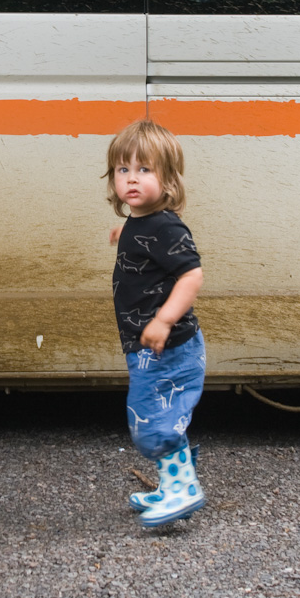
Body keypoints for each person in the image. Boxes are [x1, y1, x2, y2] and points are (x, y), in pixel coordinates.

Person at [105, 118, 207, 528]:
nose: (132, 179)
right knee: (159, 417)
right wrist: (123, 235)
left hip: (168, 347)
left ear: (167, 181)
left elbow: (191, 275)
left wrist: (164, 320)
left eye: (144, 170)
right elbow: (148, 245)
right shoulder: (143, 222)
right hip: (148, 347)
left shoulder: (165, 226)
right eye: (123, 170)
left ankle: (184, 491)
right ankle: (173, 484)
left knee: (152, 423)